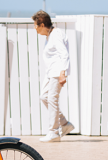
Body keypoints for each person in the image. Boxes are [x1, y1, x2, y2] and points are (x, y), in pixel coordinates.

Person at [32, 10, 75, 142]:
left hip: (57, 72)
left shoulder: (56, 35)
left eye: (36, 26)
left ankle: (53, 132)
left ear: (43, 24)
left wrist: (63, 73)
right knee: (44, 97)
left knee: (52, 99)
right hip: (51, 72)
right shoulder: (49, 35)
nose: (35, 29)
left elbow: (64, 54)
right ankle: (64, 124)